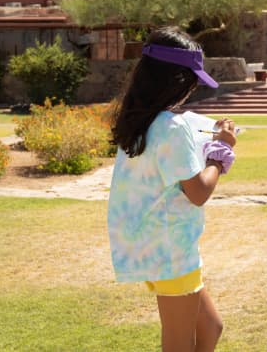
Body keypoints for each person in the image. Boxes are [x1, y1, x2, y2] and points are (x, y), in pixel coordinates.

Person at [107, 26, 235, 352]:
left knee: (210, 327)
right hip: (171, 251)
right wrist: (220, 156)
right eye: (191, 83)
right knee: (180, 344)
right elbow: (198, 193)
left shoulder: (142, 120)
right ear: (176, 81)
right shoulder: (172, 127)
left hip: (153, 246)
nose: (192, 91)